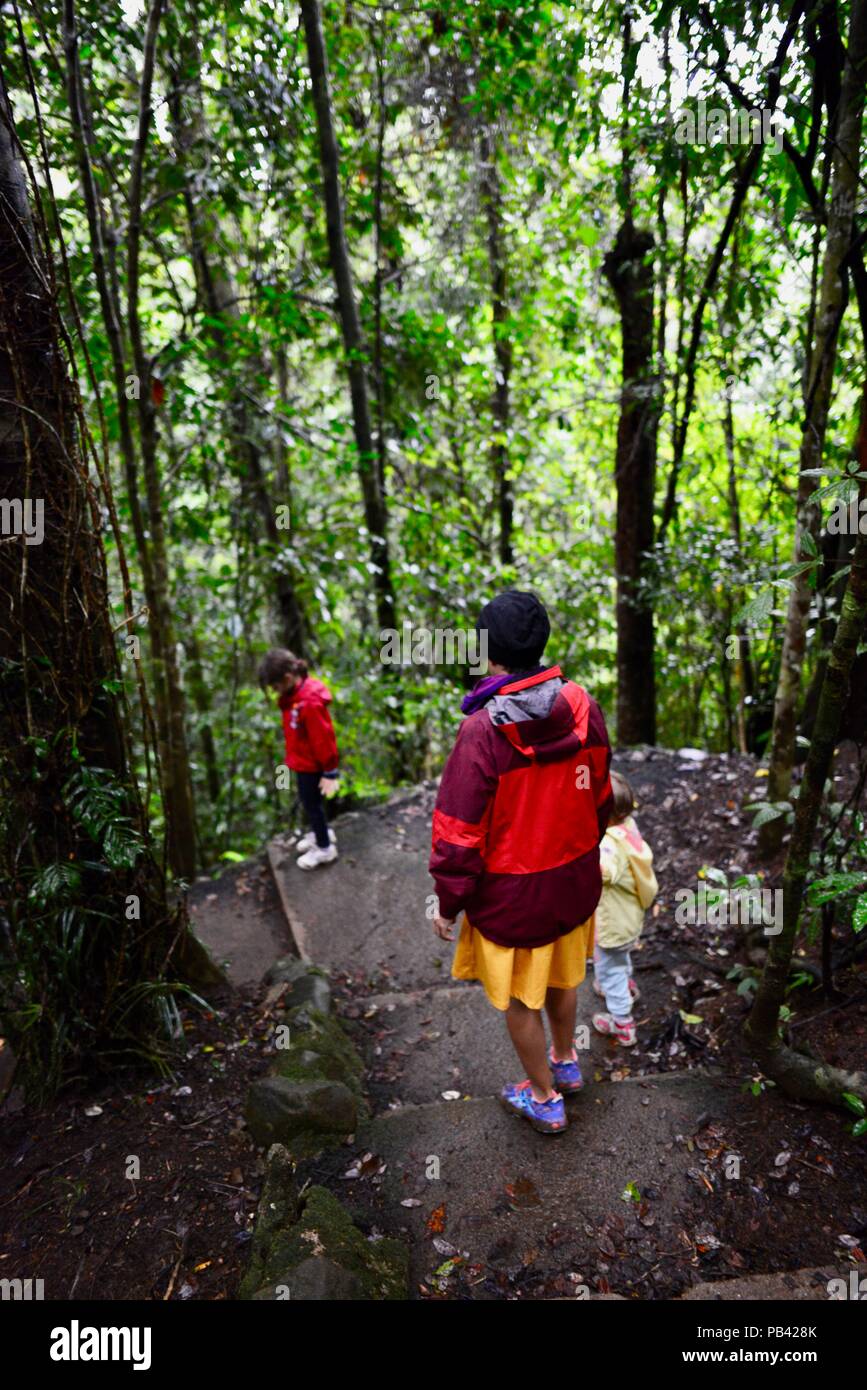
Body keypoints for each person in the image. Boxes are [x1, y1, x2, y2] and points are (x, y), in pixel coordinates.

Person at [429, 590, 612, 1134]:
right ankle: (565, 1061)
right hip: (571, 884)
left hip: (513, 900)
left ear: (489, 651)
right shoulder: (582, 706)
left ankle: (543, 1096)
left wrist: (447, 901)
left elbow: (458, 834)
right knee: (561, 974)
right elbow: (598, 796)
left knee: (517, 998)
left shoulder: (481, 732)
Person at [591, 771, 657, 1046]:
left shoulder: (608, 845)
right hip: (629, 916)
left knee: (608, 969)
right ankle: (626, 985)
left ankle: (622, 1023)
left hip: (612, 924)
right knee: (619, 959)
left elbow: (605, 871)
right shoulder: (627, 827)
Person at [258, 648, 339, 870]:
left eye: (275, 687)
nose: (275, 693)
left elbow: (323, 739)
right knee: (310, 803)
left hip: (313, 766)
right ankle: (319, 832)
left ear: (286, 678)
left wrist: (330, 770)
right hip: (303, 762)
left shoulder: (308, 702)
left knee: (312, 804)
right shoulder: (294, 698)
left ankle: (324, 848)